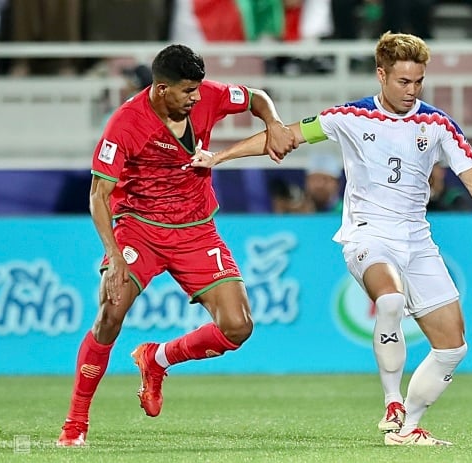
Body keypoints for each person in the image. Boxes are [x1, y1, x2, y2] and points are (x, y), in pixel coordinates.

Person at [189, 32, 472, 446]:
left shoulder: (437, 124)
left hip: (417, 241)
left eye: (419, 81)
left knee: (452, 347)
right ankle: (392, 402)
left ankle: (409, 428)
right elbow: (285, 137)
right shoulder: (350, 117)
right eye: (404, 82)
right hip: (368, 235)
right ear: (382, 75)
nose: (412, 90)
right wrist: (219, 157)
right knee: (389, 299)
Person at [56, 44, 297, 447]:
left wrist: (273, 120)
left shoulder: (210, 96)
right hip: (140, 229)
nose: (197, 98)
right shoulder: (127, 123)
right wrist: (115, 257)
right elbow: (99, 195)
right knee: (110, 313)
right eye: (187, 91)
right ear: (161, 87)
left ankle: (157, 359)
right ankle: (75, 423)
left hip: (196, 230)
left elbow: (256, 97)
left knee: (238, 328)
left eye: (198, 89)